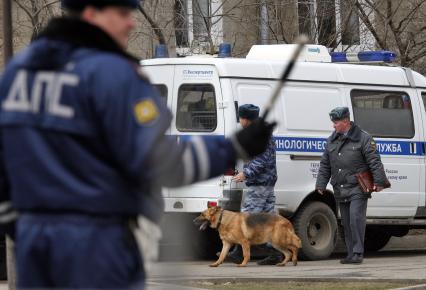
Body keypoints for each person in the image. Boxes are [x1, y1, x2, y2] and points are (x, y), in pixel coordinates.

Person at [0, 1, 275, 288]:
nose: (131, 23)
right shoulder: (114, 74)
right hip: (99, 245)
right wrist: (234, 148)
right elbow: (162, 162)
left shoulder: (20, 72)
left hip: (35, 247)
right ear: (91, 13)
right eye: (122, 13)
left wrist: (22, 228)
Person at [315, 107, 388, 264]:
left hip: (358, 187)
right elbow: (325, 164)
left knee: (356, 219)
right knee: (346, 222)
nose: (333, 125)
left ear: (346, 121)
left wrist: (379, 181)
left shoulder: (364, 138)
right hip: (340, 187)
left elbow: (374, 161)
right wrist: (321, 184)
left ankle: (357, 253)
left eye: (336, 122)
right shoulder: (331, 140)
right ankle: (351, 254)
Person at [225, 104, 280, 265]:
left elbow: (262, 161)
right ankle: (275, 253)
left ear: (246, 120)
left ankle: (238, 253)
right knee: (268, 220)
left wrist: (246, 173)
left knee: (246, 216)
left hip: (260, 185)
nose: (239, 121)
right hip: (265, 184)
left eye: (241, 118)